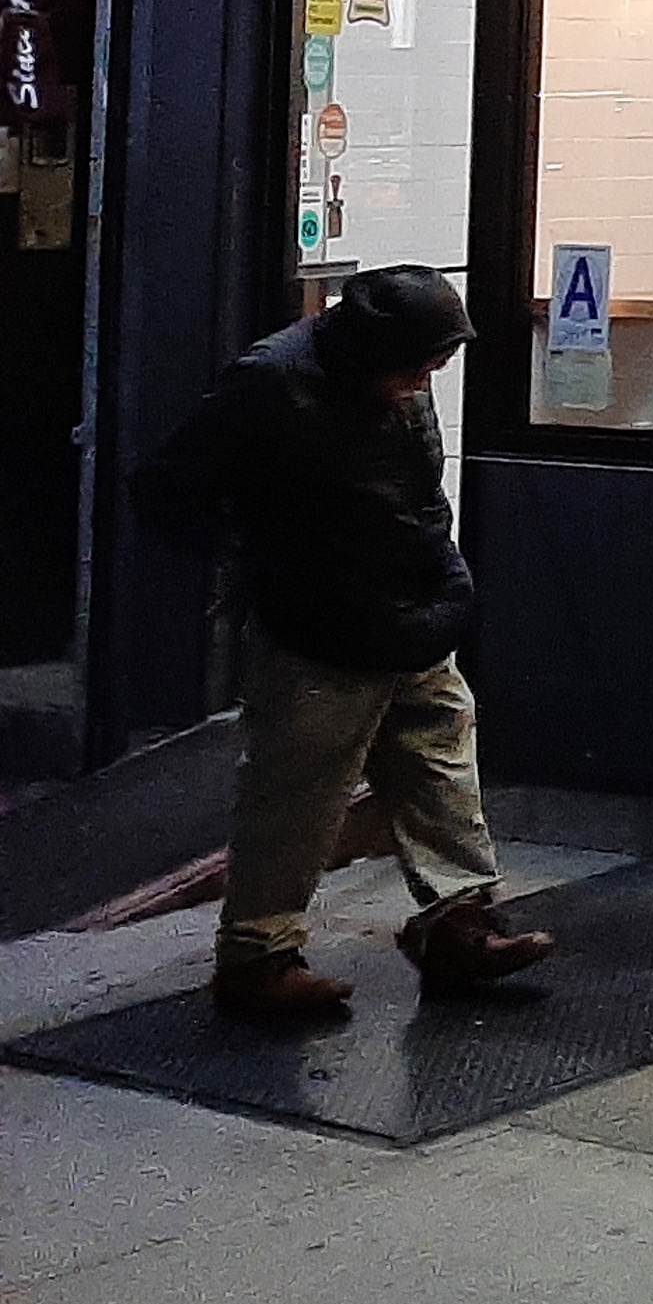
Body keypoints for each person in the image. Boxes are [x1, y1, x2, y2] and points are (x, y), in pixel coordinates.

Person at [130, 266, 555, 1025]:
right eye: (421, 364)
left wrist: (446, 584)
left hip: (409, 613)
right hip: (318, 627)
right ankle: (258, 959)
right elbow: (165, 489)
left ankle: (457, 922)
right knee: (298, 790)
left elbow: (419, 492)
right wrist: (262, 560)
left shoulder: (396, 375)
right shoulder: (269, 383)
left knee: (440, 763)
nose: (426, 380)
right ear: (375, 350)